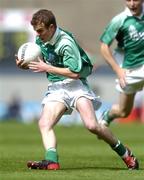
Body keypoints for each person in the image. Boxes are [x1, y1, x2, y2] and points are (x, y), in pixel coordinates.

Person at [16, 9, 139, 170]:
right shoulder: (40, 41)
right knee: (44, 124)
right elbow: (40, 64)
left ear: (52, 27)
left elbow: (74, 73)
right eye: (36, 31)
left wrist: (47, 67)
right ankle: (51, 161)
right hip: (57, 88)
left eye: (40, 31)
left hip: (76, 85)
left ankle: (126, 154)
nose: (38, 35)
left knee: (92, 126)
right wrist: (25, 65)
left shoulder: (66, 42)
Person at [99, 0, 144, 126]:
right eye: (128, 0)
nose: (132, 3)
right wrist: (118, 70)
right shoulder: (119, 20)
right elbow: (104, 47)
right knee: (124, 112)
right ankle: (108, 115)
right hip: (129, 70)